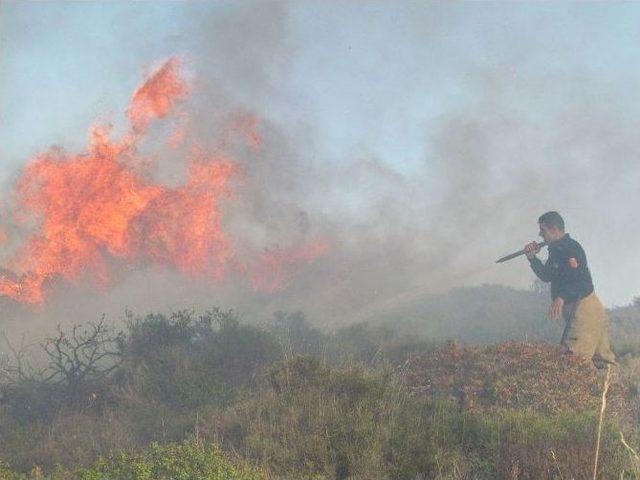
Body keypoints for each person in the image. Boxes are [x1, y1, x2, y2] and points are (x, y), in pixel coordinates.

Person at [524, 211, 615, 368]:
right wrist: (532, 257)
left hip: (583, 308)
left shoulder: (571, 248)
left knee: (575, 361)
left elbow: (579, 279)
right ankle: (611, 392)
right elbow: (547, 275)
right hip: (584, 309)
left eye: (542, 230)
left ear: (554, 229)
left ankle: (588, 392)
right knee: (602, 362)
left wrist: (562, 297)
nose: (540, 234)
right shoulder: (557, 250)